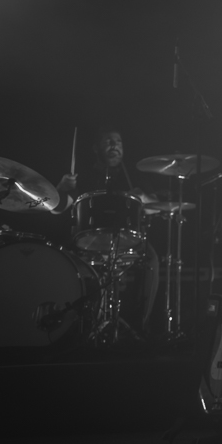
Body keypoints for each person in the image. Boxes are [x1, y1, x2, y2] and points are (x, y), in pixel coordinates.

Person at [53, 125, 160, 336]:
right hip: (88, 240)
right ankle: (76, 327)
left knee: (151, 260)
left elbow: (156, 207)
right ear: (96, 148)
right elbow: (57, 209)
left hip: (126, 238)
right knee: (63, 263)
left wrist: (146, 199)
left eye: (118, 142)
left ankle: (141, 325)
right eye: (108, 141)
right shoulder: (82, 176)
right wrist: (61, 188)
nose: (114, 146)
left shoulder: (134, 177)